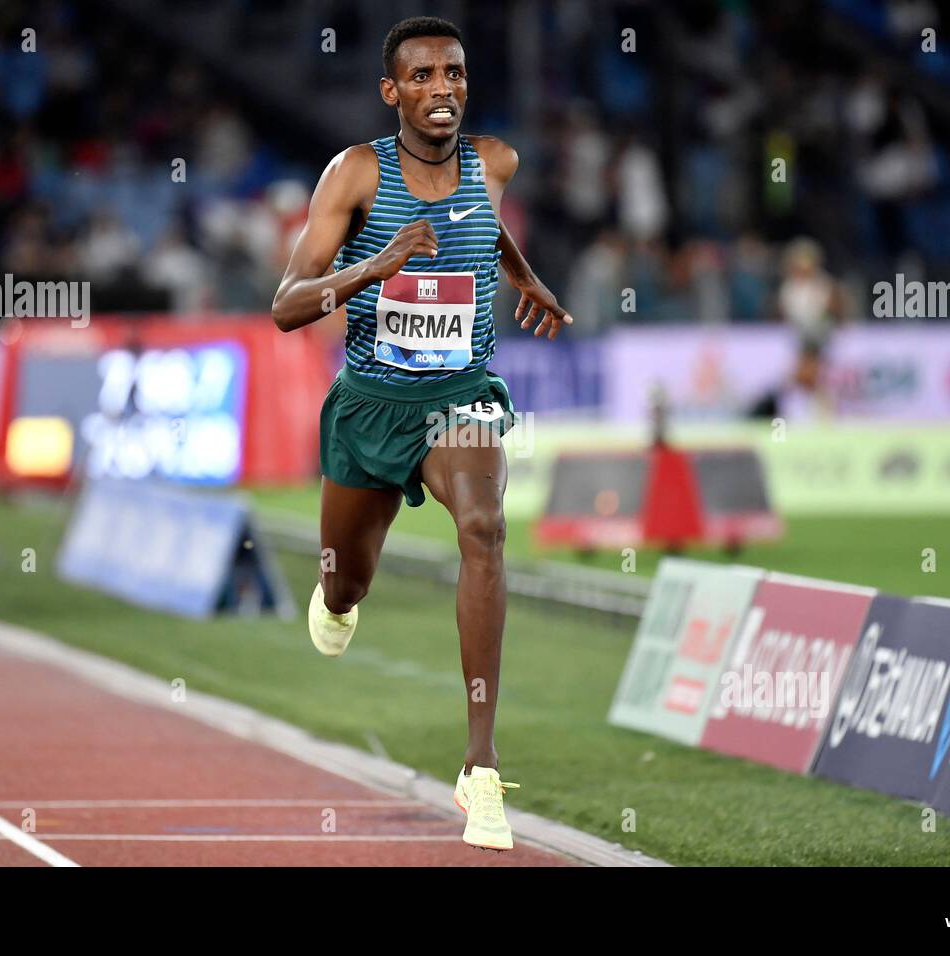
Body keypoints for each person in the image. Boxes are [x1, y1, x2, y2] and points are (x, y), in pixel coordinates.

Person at [271, 16, 572, 851]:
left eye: (455, 73)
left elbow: (484, 226)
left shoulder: (495, 162)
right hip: (372, 405)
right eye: (424, 76)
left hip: (460, 396)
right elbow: (287, 305)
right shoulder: (356, 172)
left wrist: (528, 277)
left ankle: (479, 767)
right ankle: (336, 599)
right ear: (392, 91)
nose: (443, 88)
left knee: (485, 527)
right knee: (347, 589)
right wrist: (375, 265)